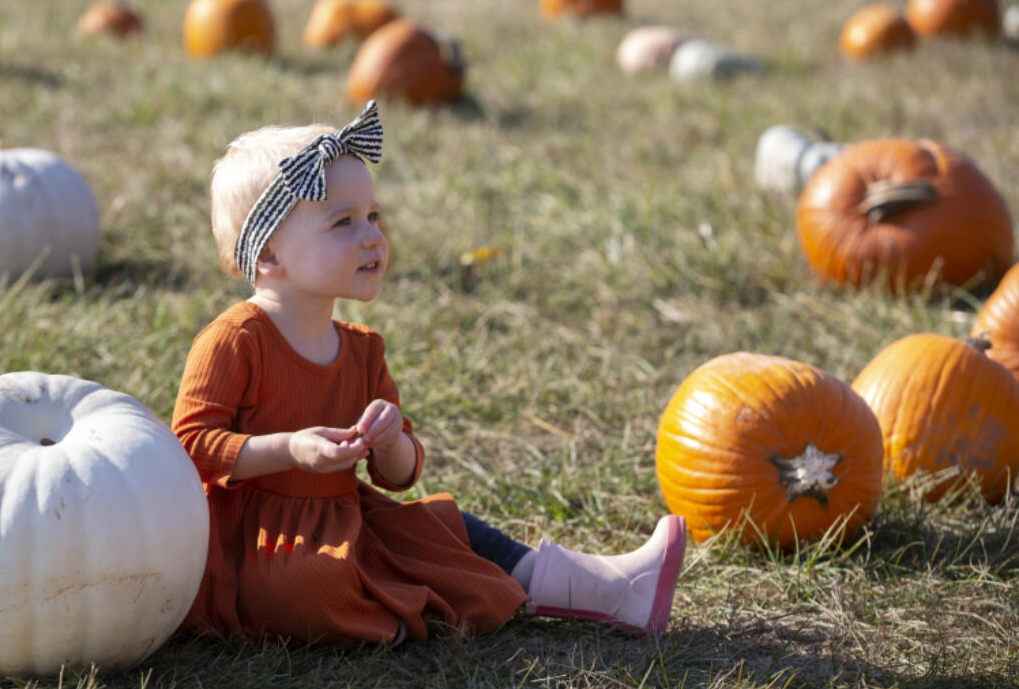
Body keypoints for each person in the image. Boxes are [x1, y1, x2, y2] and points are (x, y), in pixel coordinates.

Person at [171, 101, 686, 645]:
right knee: (307, 582)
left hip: (343, 517)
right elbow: (190, 447)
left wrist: (390, 439)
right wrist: (289, 450)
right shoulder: (235, 339)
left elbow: (400, 476)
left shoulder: (363, 349)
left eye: (373, 216)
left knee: (444, 529)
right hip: (259, 542)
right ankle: (389, 613)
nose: (372, 237)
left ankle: (609, 589)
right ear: (270, 254)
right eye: (343, 223)